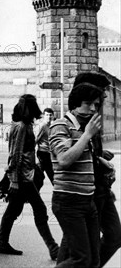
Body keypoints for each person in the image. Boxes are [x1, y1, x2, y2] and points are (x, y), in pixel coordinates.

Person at [51, 73, 120, 267]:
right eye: (94, 99)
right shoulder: (66, 125)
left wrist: (99, 158)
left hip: (95, 191)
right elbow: (63, 159)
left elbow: (85, 152)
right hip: (76, 197)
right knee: (81, 254)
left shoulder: (89, 121)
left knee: (90, 253)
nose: (105, 97)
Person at [0, 94, 59, 260]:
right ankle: (53, 248)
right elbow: (16, 155)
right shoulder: (23, 126)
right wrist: (13, 179)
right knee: (39, 209)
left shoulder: (17, 124)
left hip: (22, 177)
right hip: (22, 178)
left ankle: (2, 243)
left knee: (13, 211)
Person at [36, 107, 55, 185]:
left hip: (48, 153)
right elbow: (36, 139)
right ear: (44, 116)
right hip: (42, 153)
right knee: (44, 175)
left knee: (43, 175)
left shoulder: (50, 126)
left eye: (50, 115)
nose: (49, 117)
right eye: (47, 115)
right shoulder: (42, 126)